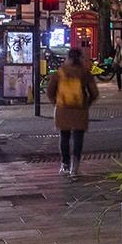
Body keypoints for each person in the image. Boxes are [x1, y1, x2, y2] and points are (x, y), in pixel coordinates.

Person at [46, 48, 99, 177]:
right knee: (78, 138)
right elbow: (94, 93)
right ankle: (75, 167)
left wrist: (57, 103)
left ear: (67, 58)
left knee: (64, 137)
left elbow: (50, 91)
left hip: (63, 109)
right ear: (80, 58)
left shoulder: (60, 72)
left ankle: (65, 164)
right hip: (79, 109)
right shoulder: (84, 73)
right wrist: (86, 103)